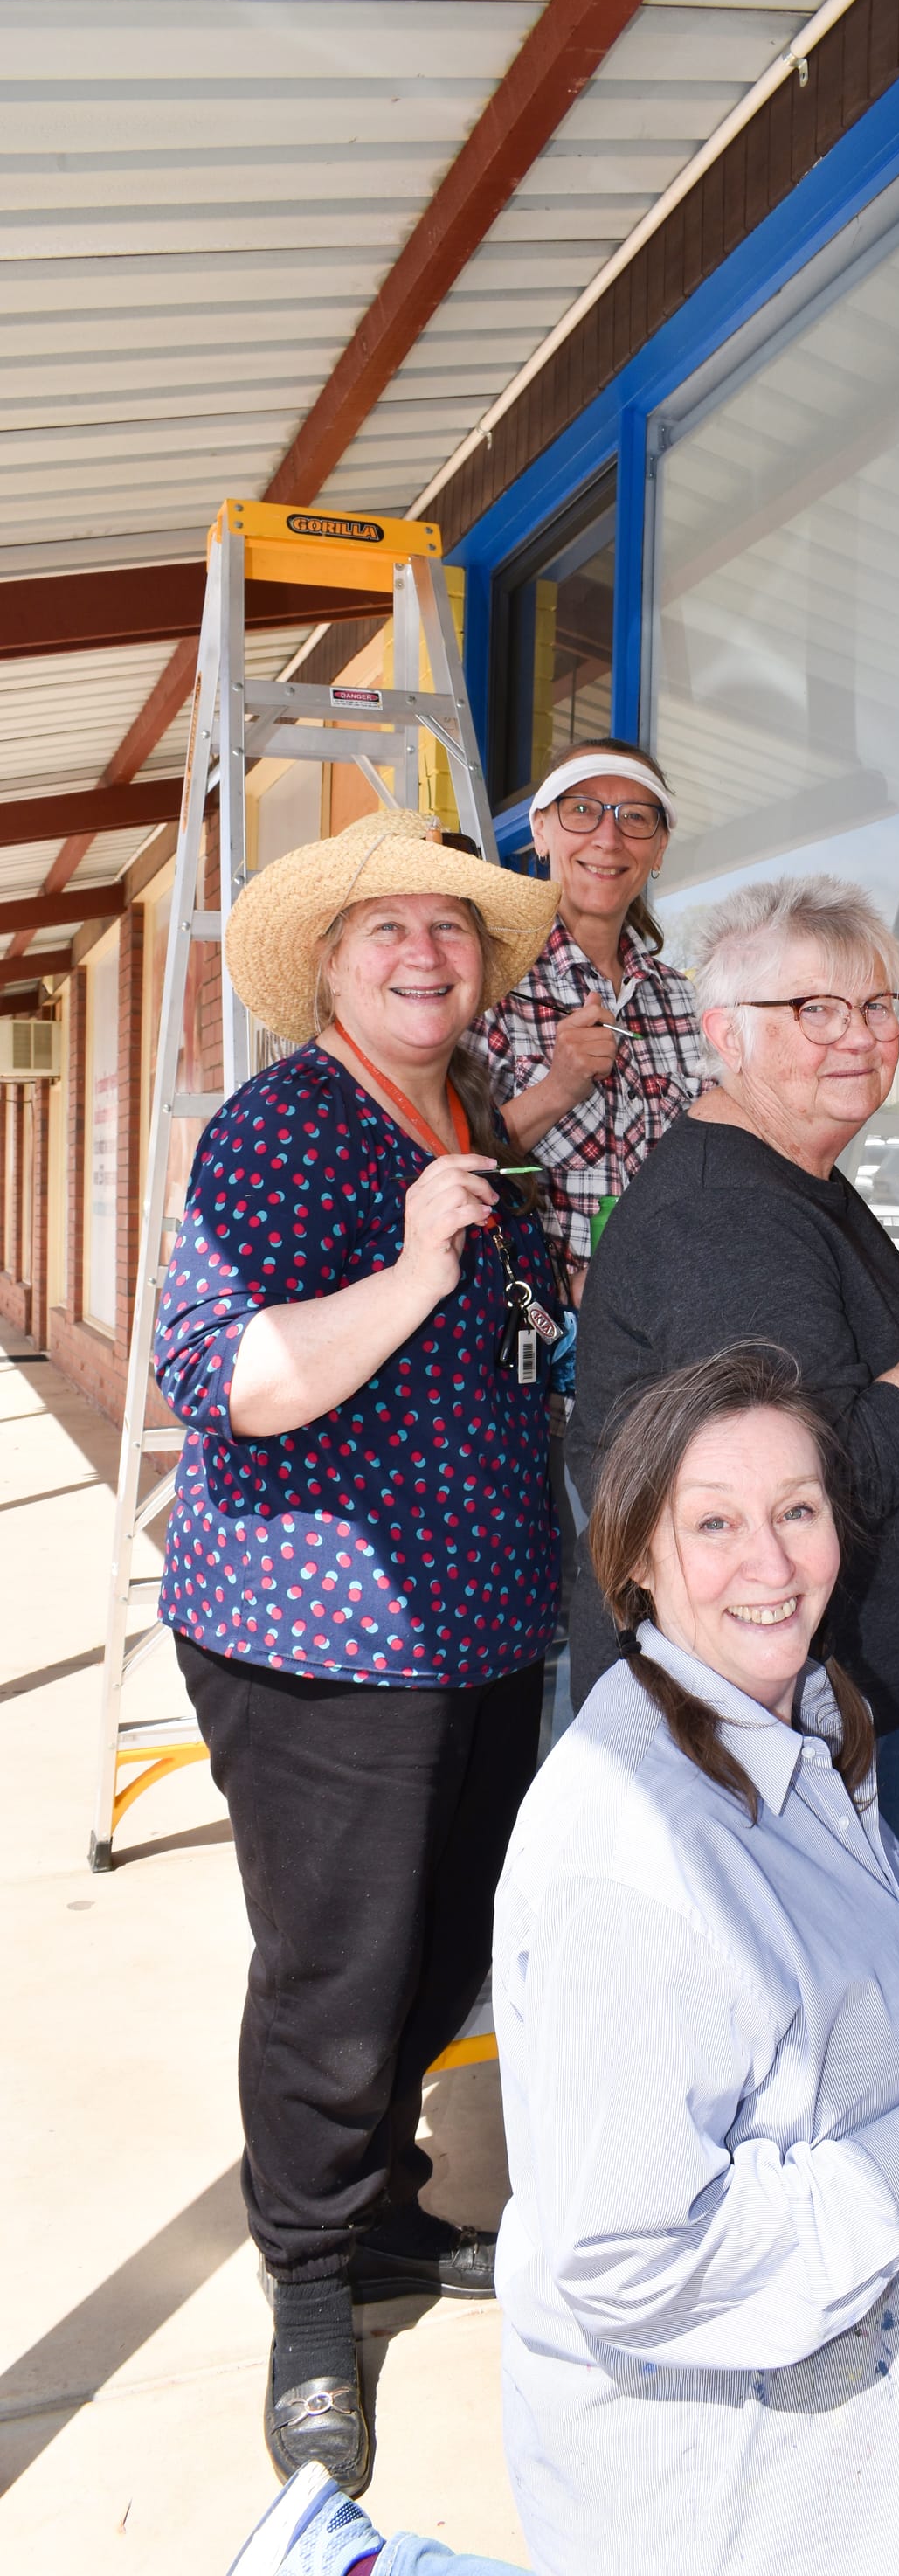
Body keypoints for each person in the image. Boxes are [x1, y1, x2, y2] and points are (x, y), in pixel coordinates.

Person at [223, 1347, 899, 2576]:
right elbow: (640, 2261)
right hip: (722, 2479)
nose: (770, 1564)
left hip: (863, 2399)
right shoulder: (628, 1860)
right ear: (635, 1564)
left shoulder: (815, 1721)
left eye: (797, 1510)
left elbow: (817, 2028)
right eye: (714, 1523)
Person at [156, 809, 564, 2496]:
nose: (425, 953)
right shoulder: (285, 1130)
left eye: (453, 932)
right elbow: (223, 1376)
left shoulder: (461, 1111)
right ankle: (312, 2287)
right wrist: (413, 1263)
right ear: (327, 965)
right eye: (387, 930)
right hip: (319, 1635)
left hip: (475, 1622)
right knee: (334, 1980)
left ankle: (384, 2210)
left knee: (432, 1951)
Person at [566, 873, 899, 1856]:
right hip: (759, 1740)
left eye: (877, 1006)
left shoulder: (788, 1174)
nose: (857, 1036)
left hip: (816, 1715)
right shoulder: (726, 1215)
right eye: (812, 1009)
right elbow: (832, 1473)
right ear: (726, 1037)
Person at [470, 738, 705, 1304]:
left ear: (661, 847)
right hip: (534, 1345)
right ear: (540, 831)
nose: (608, 837)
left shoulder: (686, 1002)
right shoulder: (486, 987)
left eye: (636, 818)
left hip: (672, 1327)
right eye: (581, 810)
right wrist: (557, 1089)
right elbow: (443, 1164)